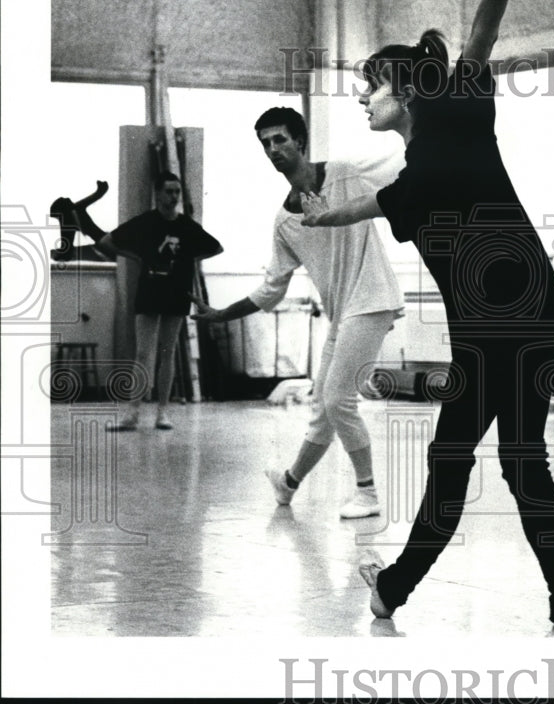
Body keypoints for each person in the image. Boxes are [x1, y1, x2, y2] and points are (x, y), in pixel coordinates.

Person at [300, 0, 554, 637]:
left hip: (498, 335)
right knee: (521, 463)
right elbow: (368, 205)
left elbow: (481, 33)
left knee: (459, 464)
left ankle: (393, 591)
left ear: (403, 87)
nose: (363, 99)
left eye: (370, 87)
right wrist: (320, 215)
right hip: (534, 324)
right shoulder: (416, 173)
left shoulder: (457, 113)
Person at [192, 107, 403, 520]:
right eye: (266, 143)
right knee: (323, 408)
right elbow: (271, 289)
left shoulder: (344, 171)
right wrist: (219, 315)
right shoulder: (284, 221)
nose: (273, 149)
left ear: (300, 142)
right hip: (344, 315)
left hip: (373, 297)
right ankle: (288, 482)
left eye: (280, 140)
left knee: (339, 399)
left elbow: (399, 166)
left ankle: (368, 492)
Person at [97, 171, 223, 430]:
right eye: (169, 191)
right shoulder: (146, 222)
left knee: (168, 352)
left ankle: (162, 412)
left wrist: (187, 261)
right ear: (157, 194)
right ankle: (132, 413)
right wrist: (136, 257)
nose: (173, 197)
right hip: (149, 291)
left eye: (177, 192)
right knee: (143, 353)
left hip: (176, 292)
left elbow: (216, 247)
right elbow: (107, 242)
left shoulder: (186, 226)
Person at [50, 180, 114, 262]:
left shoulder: (74, 212)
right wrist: (99, 193)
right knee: (73, 211)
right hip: (106, 244)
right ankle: (65, 251)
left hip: (105, 243)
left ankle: (65, 251)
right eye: (66, 201)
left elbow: (84, 202)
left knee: (73, 211)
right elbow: (84, 202)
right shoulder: (73, 212)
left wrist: (99, 193)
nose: (68, 199)